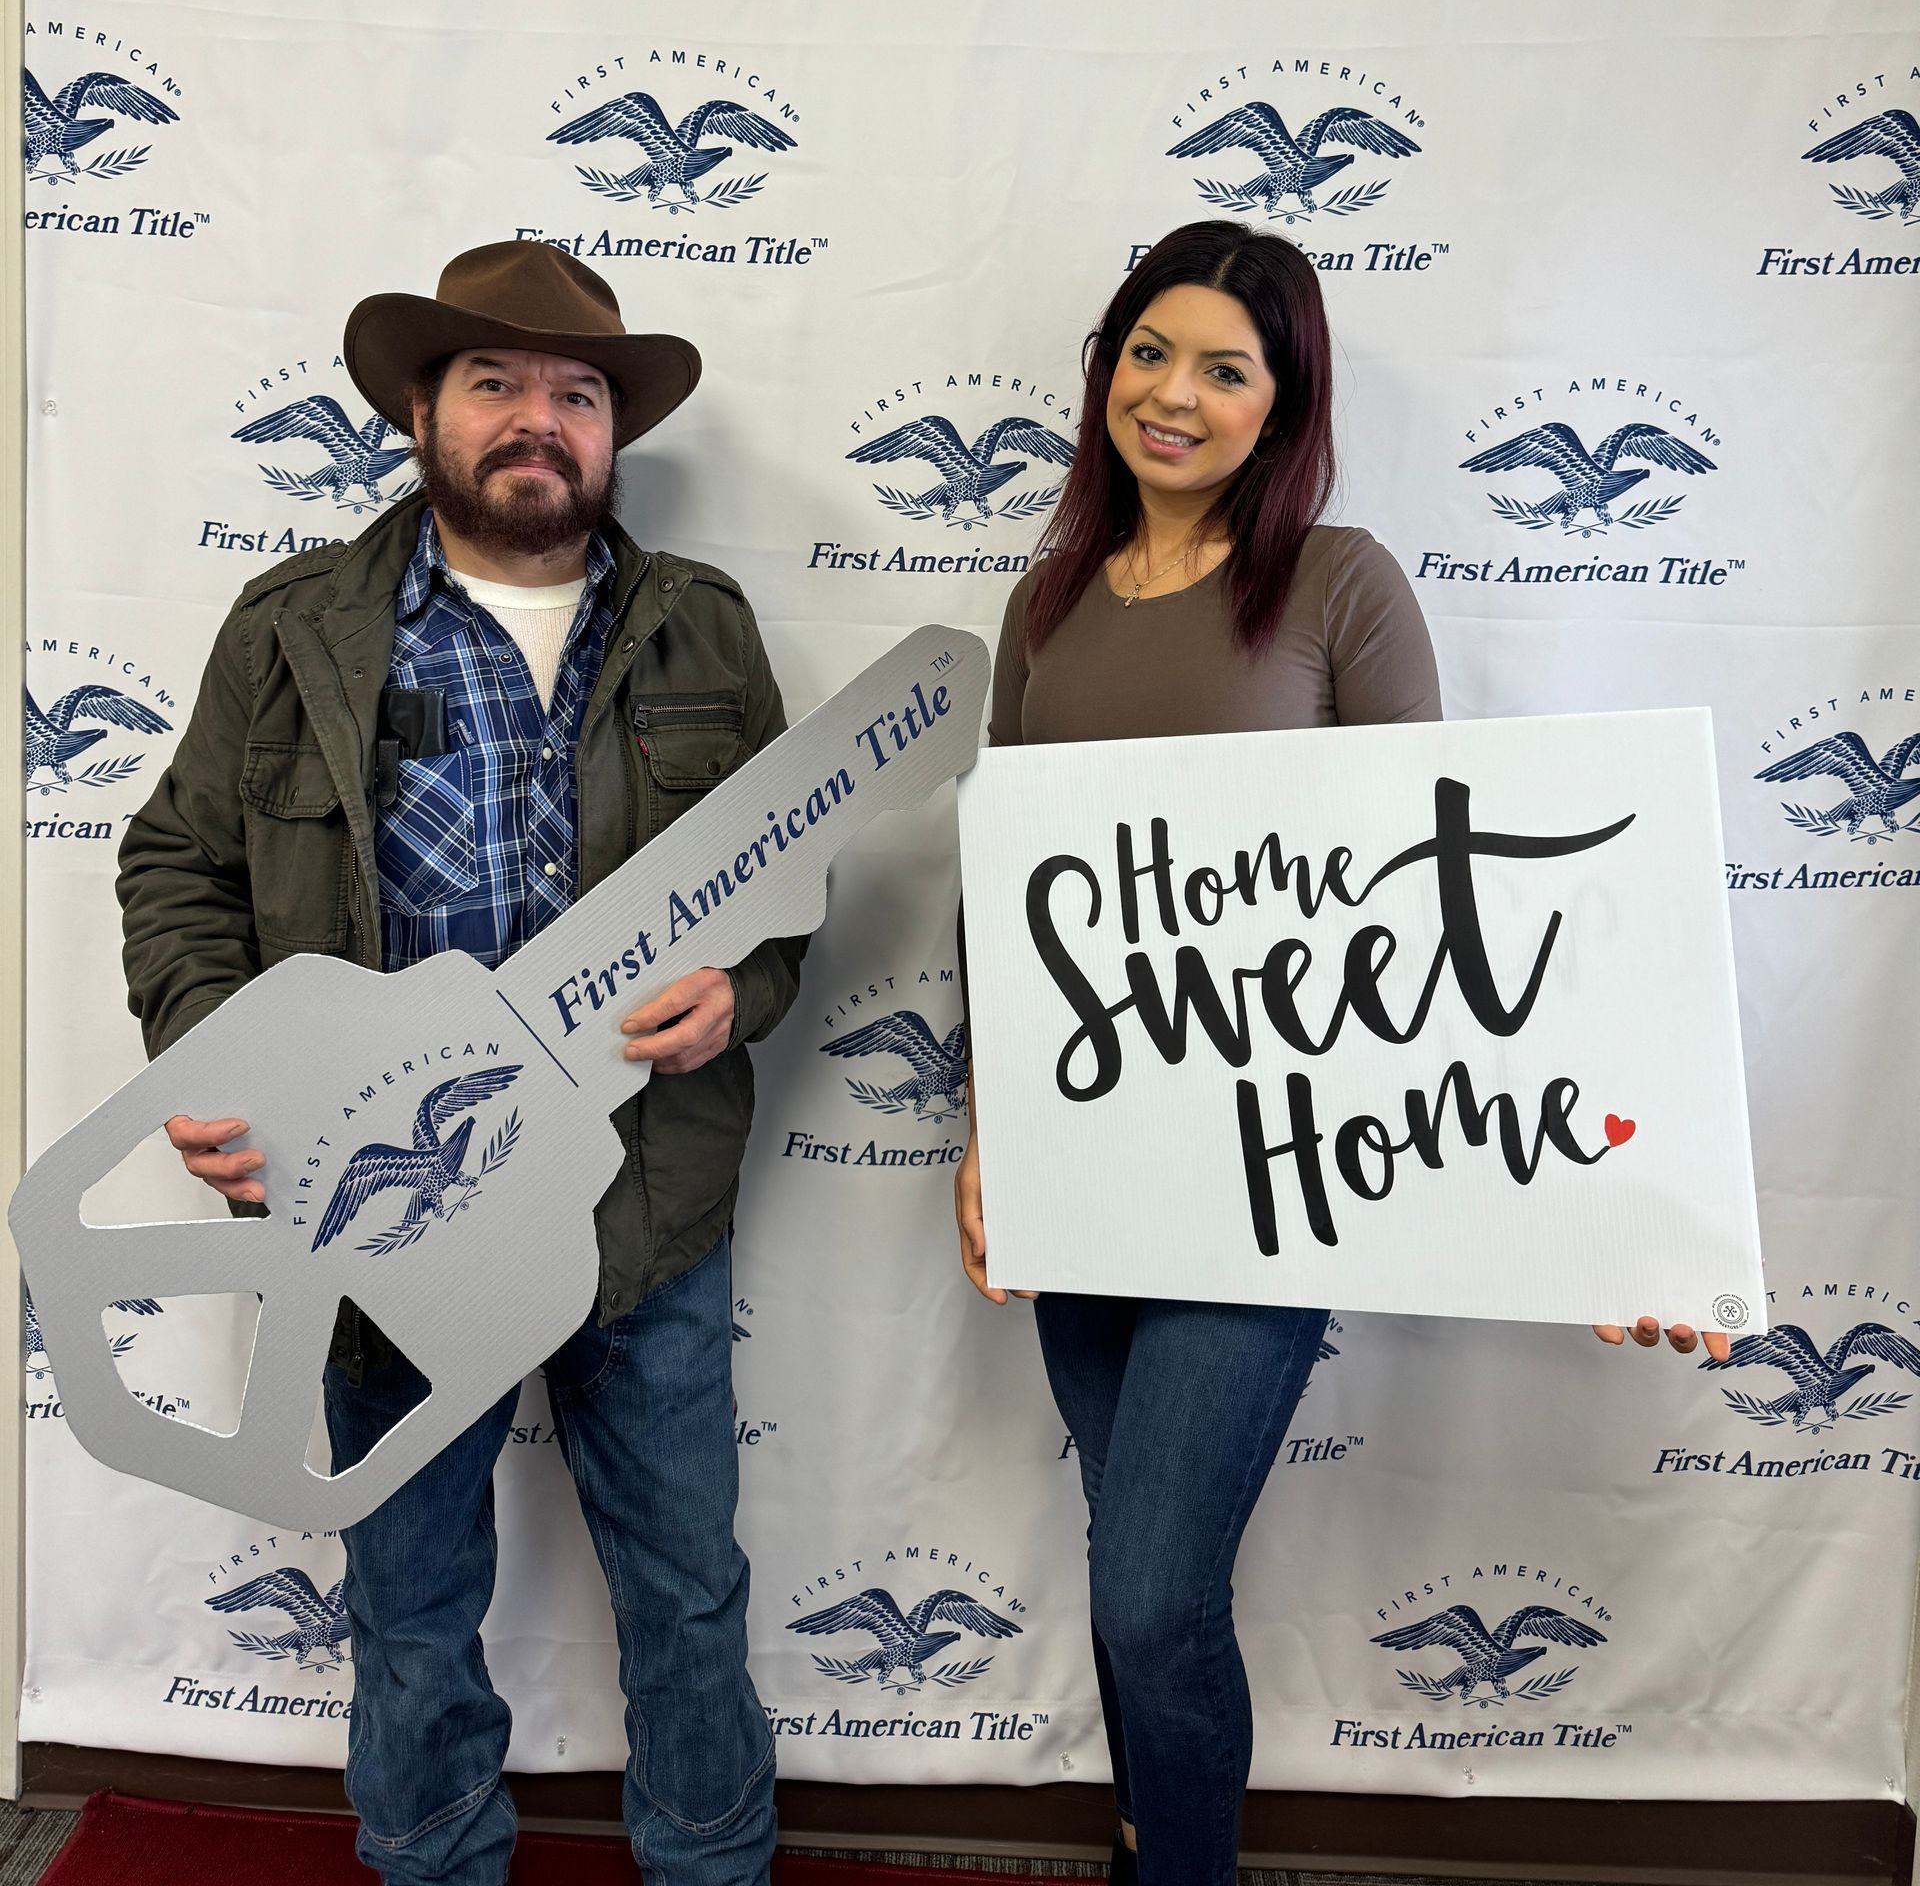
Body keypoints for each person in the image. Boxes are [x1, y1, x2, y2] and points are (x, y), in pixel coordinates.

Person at [952, 220, 1718, 1886]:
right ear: (1107, 371)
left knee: (1155, 1590)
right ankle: (1155, 1841)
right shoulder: (1046, 600)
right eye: (1149, 352)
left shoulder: (1341, 582)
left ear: (1280, 407)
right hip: (1085, 1166)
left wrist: (1611, 1199)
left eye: (1227, 369)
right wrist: (986, 1131)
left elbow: (1438, 912)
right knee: (1123, 1566)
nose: (1175, 394)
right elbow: (1009, 908)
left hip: (1266, 1184)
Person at [118, 241, 801, 1886]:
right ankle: (433, 1868)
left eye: (575, 395)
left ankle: (711, 1871)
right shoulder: (291, 631)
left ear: (611, 434)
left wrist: (747, 991)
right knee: (411, 1605)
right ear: (421, 409)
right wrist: (229, 1068)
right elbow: (175, 867)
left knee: (687, 1591)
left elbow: (790, 886)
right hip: (379, 1216)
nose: (537, 422)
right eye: (493, 383)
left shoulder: (700, 627)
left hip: (640, 1212)